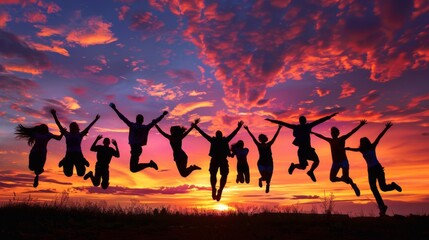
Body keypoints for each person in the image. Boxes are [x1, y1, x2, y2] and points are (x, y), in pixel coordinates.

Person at [345, 122, 402, 216]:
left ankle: (393, 185)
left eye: (363, 142)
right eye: (361, 143)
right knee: (373, 189)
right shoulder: (361, 150)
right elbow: (353, 149)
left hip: (377, 168)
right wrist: (346, 148)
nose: (362, 144)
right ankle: (382, 207)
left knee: (383, 187)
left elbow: (379, 137)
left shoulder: (372, 146)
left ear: (367, 142)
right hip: (370, 171)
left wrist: (386, 128)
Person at [266, 113, 337, 182]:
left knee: (315, 162)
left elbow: (319, 121)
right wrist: (272, 121)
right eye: (303, 120)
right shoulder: (303, 127)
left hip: (307, 149)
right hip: (303, 150)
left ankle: (310, 172)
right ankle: (295, 167)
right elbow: (284, 124)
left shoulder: (304, 126)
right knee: (305, 166)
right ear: (301, 121)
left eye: (304, 120)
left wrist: (329, 116)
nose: (304, 121)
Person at [311, 120, 367, 196]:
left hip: (343, 161)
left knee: (346, 178)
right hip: (335, 163)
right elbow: (321, 136)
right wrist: (313, 133)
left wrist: (360, 125)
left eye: (334, 132)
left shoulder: (342, 138)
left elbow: (352, 132)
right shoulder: (330, 140)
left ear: (337, 133)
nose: (332, 134)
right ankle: (342, 179)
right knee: (332, 179)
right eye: (331, 132)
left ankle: (353, 185)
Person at [192, 120, 244, 201]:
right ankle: (215, 189)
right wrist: (196, 127)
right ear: (217, 135)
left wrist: (238, 127)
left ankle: (218, 190)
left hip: (220, 160)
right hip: (217, 160)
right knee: (215, 175)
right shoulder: (219, 140)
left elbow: (233, 134)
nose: (219, 135)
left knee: (221, 175)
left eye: (219, 134)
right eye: (218, 134)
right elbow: (204, 135)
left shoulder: (220, 140)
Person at [109, 103, 167, 173]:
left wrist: (115, 109)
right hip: (137, 149)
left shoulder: (133, 125)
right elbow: (155, 122)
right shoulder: (144, 127)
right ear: (142, 120)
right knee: (133, 168)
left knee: (133, 169)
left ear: (136, 119)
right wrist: (162, 115)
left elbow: (122, 118)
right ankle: (150, 164)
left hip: (136, 149)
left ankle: (150, 164)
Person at [51, 109, 99, 177]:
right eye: (71, 127)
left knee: (81, 174)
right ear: (70, 128)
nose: (73, 128)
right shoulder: (67, 134)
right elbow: (58, 124)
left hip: (78, 155)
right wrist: (54, 115)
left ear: (77, 128)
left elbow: (88, 127)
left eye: (74, 127)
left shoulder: (80, 134)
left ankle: (83, 160)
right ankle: (65, 161)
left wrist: (95, 119)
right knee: (68, 174)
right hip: (69, 155)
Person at [15, 123, 63, 187]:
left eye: (44, 128)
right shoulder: (36, 134)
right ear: (40, 129)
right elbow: (58, 138)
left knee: (38, 169)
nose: (43, 129)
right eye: (42, 128)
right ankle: (37, 174)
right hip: (34, 152)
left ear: (46, 129)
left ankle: (37, 176)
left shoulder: (48, 135)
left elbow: (59, 138)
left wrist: (62, 133)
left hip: (41, 153)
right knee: (31, 167)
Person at [244, 125, 282, 193]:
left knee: (268, 178)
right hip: (261, 163)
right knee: (264, 177)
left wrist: (279, 128)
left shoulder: (269, 144)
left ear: (265, 139)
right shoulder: (259, 145)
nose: (261, 139)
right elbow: (253, 137)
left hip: (269, 162)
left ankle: (267, 185)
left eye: (262, 138)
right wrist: (247, 130)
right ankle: (260, 180)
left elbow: (275, 137)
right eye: (260, 138)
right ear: (260, 139)